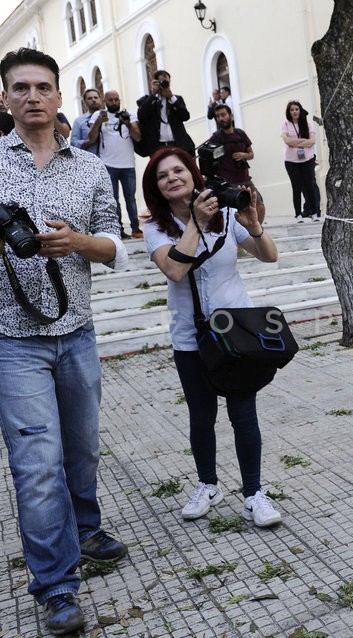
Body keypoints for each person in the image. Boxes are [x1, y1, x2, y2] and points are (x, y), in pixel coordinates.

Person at [0, 47, 129, 635]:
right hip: (12, 341)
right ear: (4, 98)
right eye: (20, 88)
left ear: (59, 99)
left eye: (43, 87)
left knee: (81, 448)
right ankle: (56, 585)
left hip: (77, 333)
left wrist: (78, 243)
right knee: (37, 466)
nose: (32, 97)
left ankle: (85, 526)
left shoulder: (91, 168)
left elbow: (115, 248)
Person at [140, 146, 284, 528]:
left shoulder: (225, 214)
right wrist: (196, 224)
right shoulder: (154, 226)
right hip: (191, 337)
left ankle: (253, 494)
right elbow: (173, 269)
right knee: (201, 415)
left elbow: (269, 255)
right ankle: (208, 484)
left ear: (192, 174)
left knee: (243, 413)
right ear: (155, 187)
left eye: (178, 171)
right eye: (162, 175)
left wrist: (252, 223)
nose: (171, 178)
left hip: (237, 334)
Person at [88, 90, 142, 238]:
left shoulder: (129, 116)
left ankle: (136, 229)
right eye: (110, 100)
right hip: (108, 164)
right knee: (113, 199)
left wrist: (128, 123)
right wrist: (98, 122)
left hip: (128, 164)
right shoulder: (98, 115)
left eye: (116, 99)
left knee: (130, 198)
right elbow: (91, 138)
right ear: (105, 101)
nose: (113, 102)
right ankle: (118, 231)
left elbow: (137, 137)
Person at [208, 103, 266, 223]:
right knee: (234, 213)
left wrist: (243, 155)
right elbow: (209, 159)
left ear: (231, 116)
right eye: (218, 116)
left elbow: (251, 154)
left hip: (245, 179)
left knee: (259, 205)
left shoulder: (240, 133)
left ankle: (257, 232)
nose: (221, 118)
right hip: (227, 183)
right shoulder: (216, 137)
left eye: (223, 115)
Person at [136, 69, 195, 156]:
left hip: (177, 144)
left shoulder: (176, 99)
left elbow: (185, 116)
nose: (164, 85)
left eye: (167, 82)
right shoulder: (148, 100)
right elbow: (141, 116)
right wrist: (153, 95)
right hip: (158, 147)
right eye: (161, 82)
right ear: (155, 83)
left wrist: (171, 98)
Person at [280, 100, 322, 222]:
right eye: (292, 110)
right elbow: (287, 142)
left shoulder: (308, 124)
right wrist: (304, 141)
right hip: (291, 161)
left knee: (310, 186)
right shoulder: (285, 125)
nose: (294, 112)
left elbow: (312, 141)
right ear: (289, 112)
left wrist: (296, 142)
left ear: (300, 110)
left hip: (307, 159)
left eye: (296, 109)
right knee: (296, 187)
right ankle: (298, 214)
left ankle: (314, 213)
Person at [70, 87, 103, 155]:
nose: (93, 100)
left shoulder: (109, 117)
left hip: (111, 161)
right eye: (89, 98)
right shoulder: (79, 121)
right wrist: (89, 141)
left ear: (100, 99)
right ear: (84, 102)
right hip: (91, 161)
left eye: (96, 97)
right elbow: (73, 143)